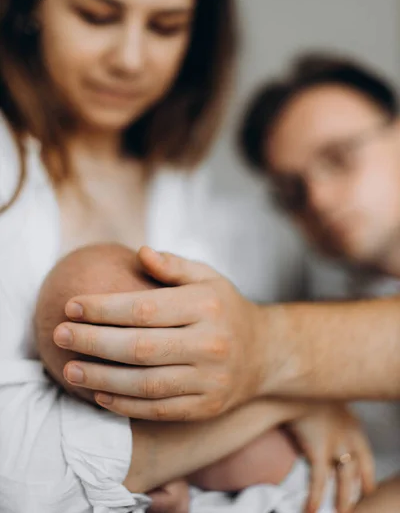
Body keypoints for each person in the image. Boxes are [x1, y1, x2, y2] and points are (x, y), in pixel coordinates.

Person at [51, 55, 400, 511]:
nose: (318, 199)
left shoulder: (300, 335)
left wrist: (270, 361)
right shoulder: (322, 298)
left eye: (339, 158)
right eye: (292, 192)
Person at [37, 242, 376, 513]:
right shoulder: (158, 456)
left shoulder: (230, 344)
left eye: (148, 308)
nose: (143, 343)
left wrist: (304, 398)